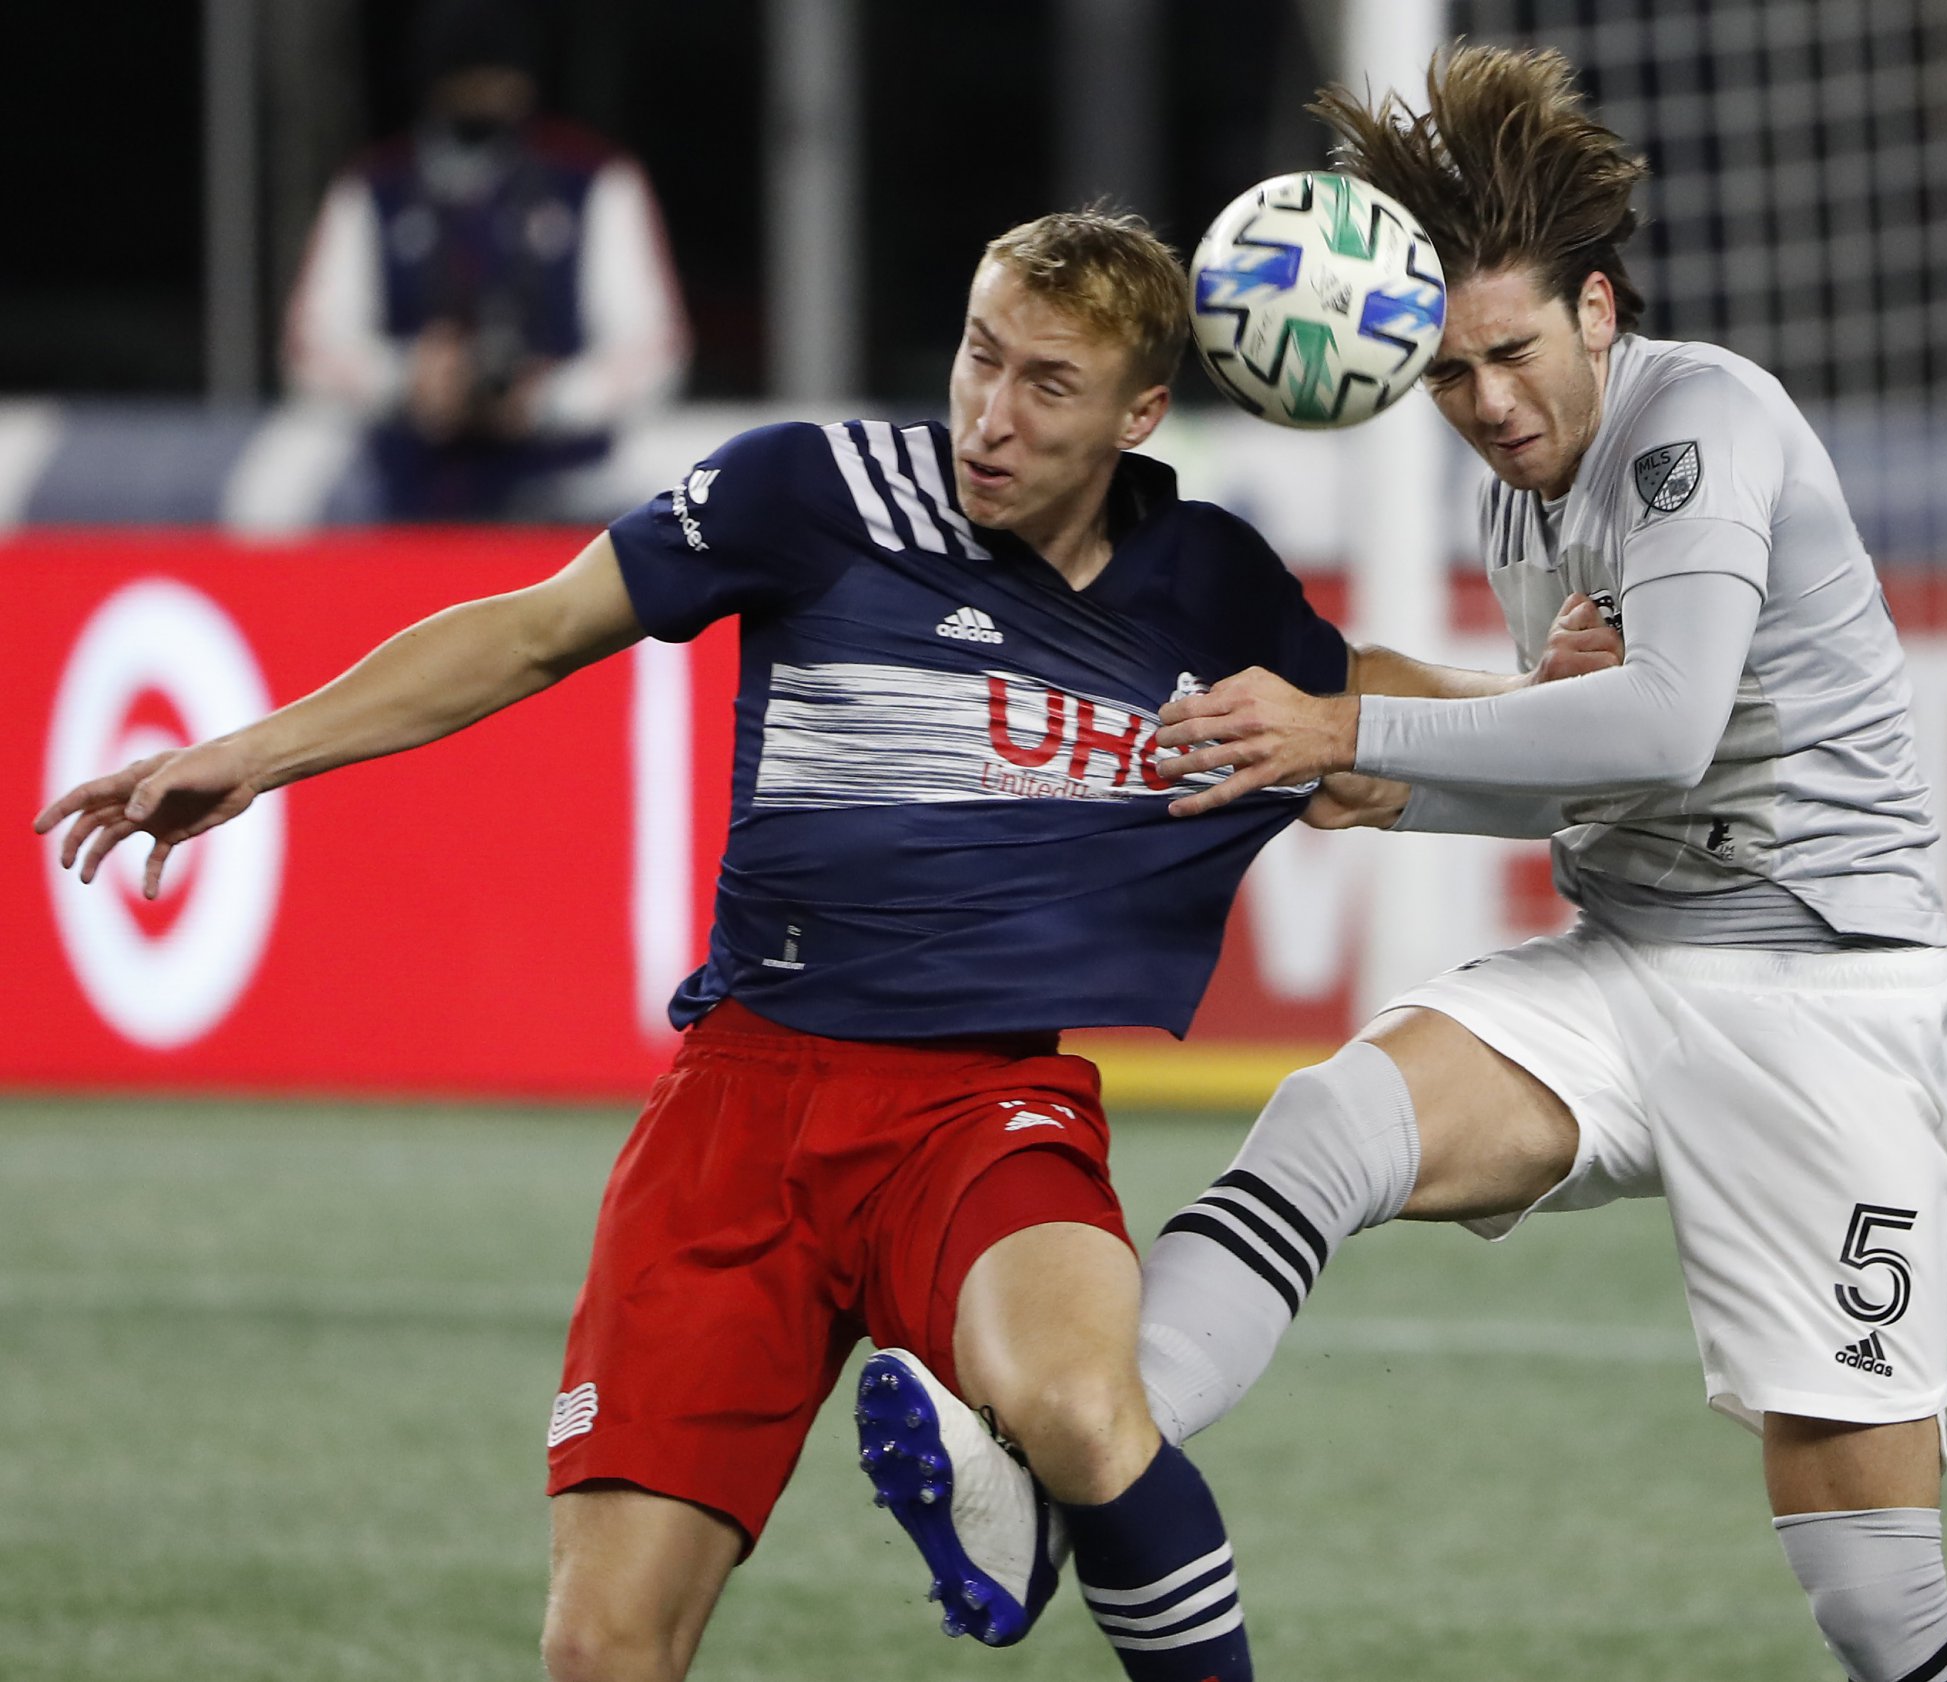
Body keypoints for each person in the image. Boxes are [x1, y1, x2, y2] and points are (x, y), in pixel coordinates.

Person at [38, 208, 1589, 1682]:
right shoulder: (812, 491)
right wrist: (260, 750)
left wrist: (1560, 705)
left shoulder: (1210, 586)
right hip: (740, 1107)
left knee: (1079, 1404)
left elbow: (1360, 715)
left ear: (1140, 416)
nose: (991, 411)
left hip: (980, 1110)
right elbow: (528, 627)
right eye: (982, 353)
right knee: (602, 1645)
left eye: (1049, 383)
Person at [1129, 46, 1947, 1682]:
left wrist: (1356, 735)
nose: (1490, 407)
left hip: (1825, 1002)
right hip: (1629, 971)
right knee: (1331, 1118)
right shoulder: (1523, 510)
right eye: (1450, 376)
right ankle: (1066, 1456)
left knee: (1876, 1599)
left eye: (1514, 356)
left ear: (1597, 310)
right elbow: (1587, 785)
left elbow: (1666, 726)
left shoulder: (1704, 419)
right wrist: (1394, 780)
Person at [282, 0, 688, 520]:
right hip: (407, 482)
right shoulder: (376, 186)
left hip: (567, 482)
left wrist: (547, 399)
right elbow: (310, 348)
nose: (488, 98)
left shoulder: (591, 178)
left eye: (500, 79)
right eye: (470, 81)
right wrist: (408, 377)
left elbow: (655, 349)